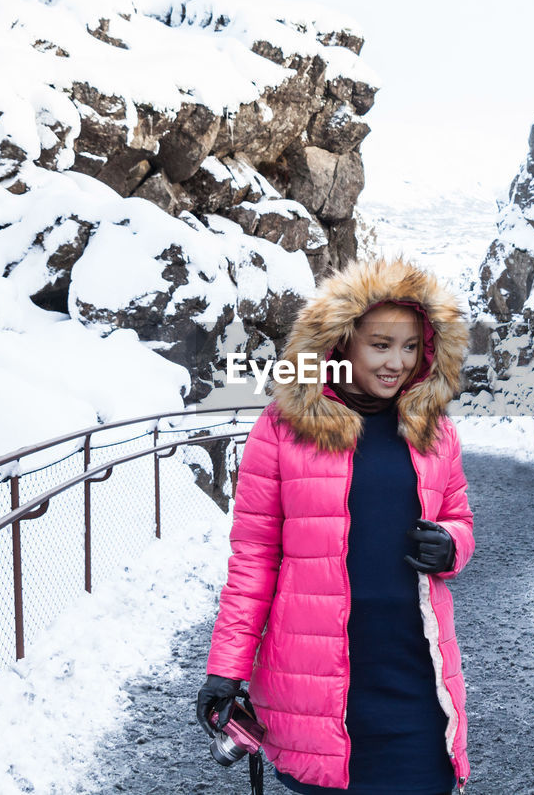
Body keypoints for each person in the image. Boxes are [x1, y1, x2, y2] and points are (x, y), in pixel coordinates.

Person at [197, 255, 474, 794]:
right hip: (319, 682)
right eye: (380, 345)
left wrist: (452, 545)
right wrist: (225, 668)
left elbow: (458, 518)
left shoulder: (435, 431)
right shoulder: (282, 427)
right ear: (342, 342)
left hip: (414, 674)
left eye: (411, 346)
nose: (397, 362)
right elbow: (254, 558)